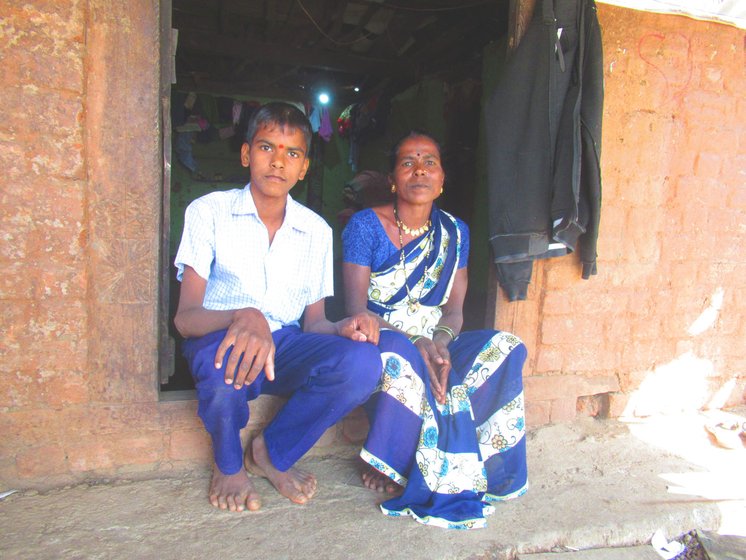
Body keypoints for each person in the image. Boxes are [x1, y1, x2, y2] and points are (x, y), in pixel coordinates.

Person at [174, 102, 381, 513]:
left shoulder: (317, 231)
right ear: (247, 154)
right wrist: (241, 315)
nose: (278, 162)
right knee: (220, 369)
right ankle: (229, 465)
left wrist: (343, 327)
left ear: (303, 167)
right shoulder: (209, 212)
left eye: (292, 153)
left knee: (362, 363)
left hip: (284, 346)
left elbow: (315, 323)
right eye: (267, 147)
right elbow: (185, 319)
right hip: (220, 339)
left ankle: (272, 451)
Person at [342, 131, 528, 529]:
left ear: (442, 179)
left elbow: (455, 311)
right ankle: (391, 457)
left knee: (506, 346)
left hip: (436, 338)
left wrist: (441, 344)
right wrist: (416, 342)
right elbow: (356, 311)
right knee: (402, 359)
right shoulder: (365, 227)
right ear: (393, 178)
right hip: (383, 338)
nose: (420, 169)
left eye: (430, 161)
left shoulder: (456, 232)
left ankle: (471, 456)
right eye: (408, 161)